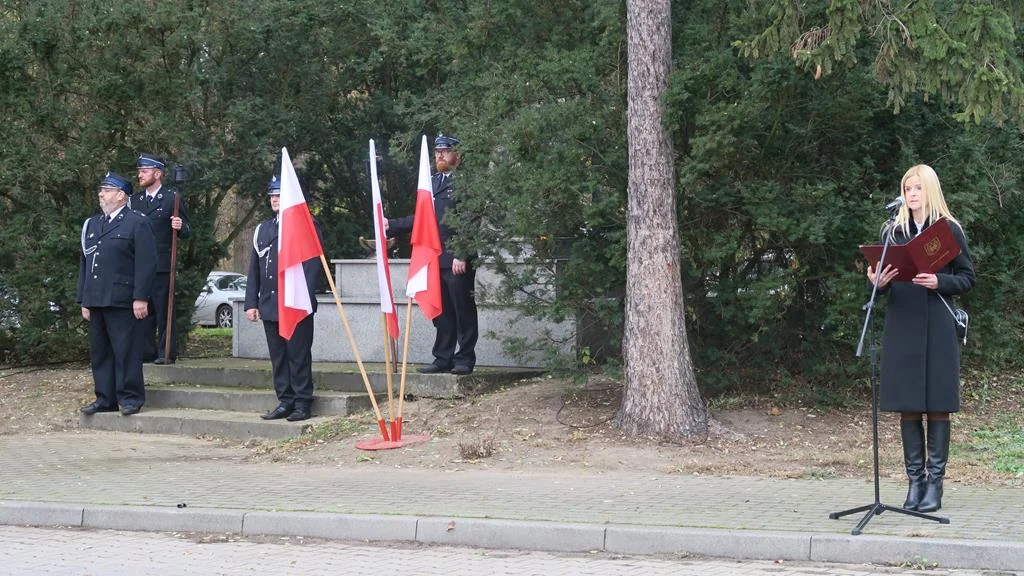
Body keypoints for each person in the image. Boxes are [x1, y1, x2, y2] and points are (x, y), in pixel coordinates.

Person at [867, 164, 975, 513]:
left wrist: (939, 282)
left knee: (938, 404)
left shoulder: (949, 230)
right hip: (903, 324)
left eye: (917, 188)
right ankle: (915, 483)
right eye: (906, 188)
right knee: (910, 404)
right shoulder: (892, 232)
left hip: (939, 325)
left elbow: (967, 278)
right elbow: (881, 284)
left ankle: (935, 485)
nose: (911, 194)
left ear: (930, 190)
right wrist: (877, 284)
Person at [388, 133, 479, 375]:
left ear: (457, 156)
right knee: (442, 311)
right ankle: (443, 357)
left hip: (456, 258)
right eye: (437, 151)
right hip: (434, 258)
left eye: (445, 150)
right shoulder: (431, 182)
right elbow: (422, 219)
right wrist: (391, 224)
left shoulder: (467, 183)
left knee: (463, 310)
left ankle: (464, 359)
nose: (439, 154)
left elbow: (470, 219)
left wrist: (463, 253)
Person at [77, 172, 158, 416]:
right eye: (101, 190)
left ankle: (130, 398)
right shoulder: (93, 224)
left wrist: (141, 297)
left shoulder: (137, 222)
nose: (101, 194)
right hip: (97, 298)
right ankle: (105, 398)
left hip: (123, 299)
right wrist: (83, 299)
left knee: (126, 351)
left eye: (107, 190)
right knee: (101, 352)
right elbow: (85, 263)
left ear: (121, 196)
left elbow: (147, 263)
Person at [243, 175, 322, 422]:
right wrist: (251, 302)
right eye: (272, 196)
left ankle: (302, 402)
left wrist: (304, 300)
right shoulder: (263, 229)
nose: (275, 200)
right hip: (270, 303)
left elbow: (311, 267)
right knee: (278, 357)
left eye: (279, 195)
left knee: (298, 355)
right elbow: (254, 268)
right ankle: (285, 401)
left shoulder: (306, 225)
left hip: (295, 303)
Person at [130, 153, 191, 364]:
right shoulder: (134, 201)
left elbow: (188, 229)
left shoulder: (171, 199)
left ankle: (166, 352)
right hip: (140, 266)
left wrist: (181, 226)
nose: (140, 175)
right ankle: (146, 351)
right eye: (139, 171)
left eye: (144, 171)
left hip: (162, 266)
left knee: (164, 310)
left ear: (157, 174)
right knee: (143, 311)